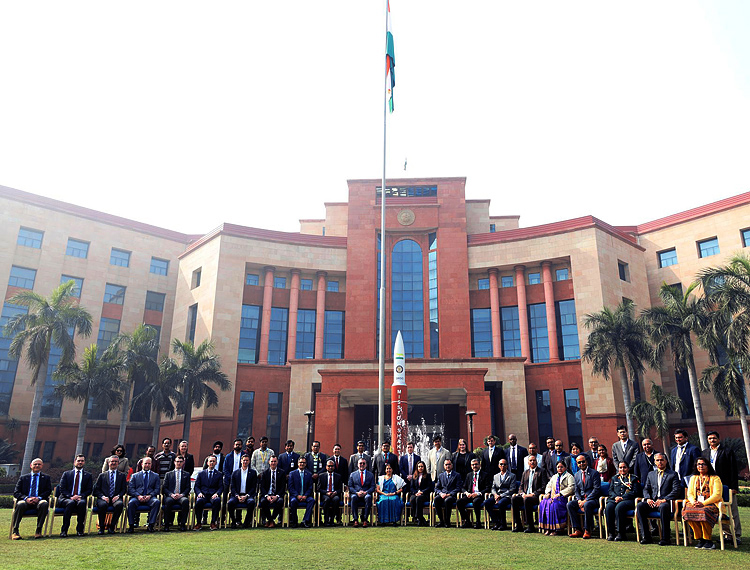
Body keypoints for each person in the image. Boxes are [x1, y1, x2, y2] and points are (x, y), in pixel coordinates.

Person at [703, 430, 741, 545]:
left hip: (726, 487)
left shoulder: (727, 452)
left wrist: (734, 487)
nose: (712, 440)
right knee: (720, 511)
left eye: (714, 438)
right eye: (710, 438)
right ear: (707, 440)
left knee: (733, 511)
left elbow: (733, 470)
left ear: (719, 439)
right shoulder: (705, 453)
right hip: (712, 487)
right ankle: (727, 534)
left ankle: (737, 535)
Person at [636, 453, 681, 546]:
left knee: (664, 507)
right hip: (653, 502)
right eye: (657, 460)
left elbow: (676, 490)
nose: (660, 462)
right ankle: (646, 537)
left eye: (661, 460)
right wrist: (648, 498)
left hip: (665, 502)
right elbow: (646, 489)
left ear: (666, 461)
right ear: (654, 462)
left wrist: (665, 499)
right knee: (640, 506)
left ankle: (665, 538)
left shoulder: (673, 474)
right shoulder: (651, 474)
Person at [683, 458, 723, 549]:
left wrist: (703, 503)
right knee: (687, 511)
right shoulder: (693, 478)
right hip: (696, 504)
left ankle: (708, 540)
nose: (701, 466)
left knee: (703, 511)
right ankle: (700, 539)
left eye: (703, 464)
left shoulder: (715, 478)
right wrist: (693, 502)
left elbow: (717, 495)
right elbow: (690, 494)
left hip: (711, 504)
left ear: (708, 466)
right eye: (699, 464)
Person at [12, 457, 51, 540]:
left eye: (39, 464)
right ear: (31, 465)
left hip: (39, 501)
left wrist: (39, 498)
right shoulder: (23, 478)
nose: (37, 466)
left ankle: (38, 530)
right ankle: (15, 531)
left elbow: (48, 491)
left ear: (42, 466)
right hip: (25, 501)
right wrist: (26, 498)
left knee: (44, 504)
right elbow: (16, 492)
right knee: (20, 504)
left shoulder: (46, 478)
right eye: (35, 464)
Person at [567, 454, 602, 539]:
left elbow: (596, 489)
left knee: (587, 505)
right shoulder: (577, 475)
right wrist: (579, 500)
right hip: (581, 499)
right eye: (579, 462)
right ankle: (578, 529)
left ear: (586, 462)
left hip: (593, 499)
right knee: (570, 504)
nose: (581, 464)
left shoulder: (594, 473)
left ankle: (587, 530)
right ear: (577, 464)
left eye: (583, 462)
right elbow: (576, 490)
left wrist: (586, 500)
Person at [58, 454, 93, 537]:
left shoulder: (88, 476)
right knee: (70, 503)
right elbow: (62, 488)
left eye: (82, 461)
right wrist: (71, 497)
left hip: (80, 498)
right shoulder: (66, 474)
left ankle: (80, 530)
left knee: (82, 503)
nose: (80, 462)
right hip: (66, 498)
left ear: (84, 462)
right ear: (74, 462)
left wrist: (81, 496)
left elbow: (89, 489)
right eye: (78, 461)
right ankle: (64, 530)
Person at [605, 461, 641, 542]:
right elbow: (610, 490)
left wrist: (622, 498)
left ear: (628, 468)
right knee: (609, 507)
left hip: (628, 500)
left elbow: (635, 492)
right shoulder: (614, 478)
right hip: (615, 499)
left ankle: (621, 533)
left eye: (624, 467)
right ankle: (611, 533)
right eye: (620, 467)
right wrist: (615, 497)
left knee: (619, 507)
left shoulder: (633, 478)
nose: (622, 469)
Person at [511, 454, 547, 533]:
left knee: (527, 500)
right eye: (530, 460)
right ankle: (519, 525)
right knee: (514, 499)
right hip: (525, 495)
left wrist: (533, 494)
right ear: (528, 462)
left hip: (535, 497)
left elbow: (543, 487)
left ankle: (530, 526)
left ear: (537, 462)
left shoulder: (542, 471)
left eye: (534, 460)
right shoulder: (525, 472)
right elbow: (521, 486)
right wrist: (522, 493)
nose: (532, 462)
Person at [538, 460, 575, 535]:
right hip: (553, 497)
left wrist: (560, 494)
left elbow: (572, 487)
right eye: (558, 467)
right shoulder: (554, 477)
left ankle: (557, 529)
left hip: (563, 498)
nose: (560, 469)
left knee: (554, 505)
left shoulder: (569, 476)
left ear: (565, 467)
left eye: (561, 467)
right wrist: (548, 493)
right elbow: (548, 486)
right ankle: (548, 528)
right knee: (543, 503)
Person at [93, 455, 127, 535]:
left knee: (119, 505)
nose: (113, 463)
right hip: (103, 498)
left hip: (116, 498)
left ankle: (112, 527)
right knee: (102, 505)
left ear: (118, 463)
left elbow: (124, 489)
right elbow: (96, 490)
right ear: (108, 463)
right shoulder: (102, 475)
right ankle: (101, 528)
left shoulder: (122, 476)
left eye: (115, 462)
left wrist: (118, 496)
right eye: (112, 461)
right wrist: (103, 497)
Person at [126, 456, 161, 533]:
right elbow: (130, 489)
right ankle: (131, 525)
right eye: (145, 463)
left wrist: (150, 495)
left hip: (150, 498)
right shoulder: (135, 476)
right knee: (131, 503)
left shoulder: (155, 476)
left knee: (156, 502)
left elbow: (157, 489)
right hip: (137, 497)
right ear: (142, 464)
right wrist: (138, 496)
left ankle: (151, 525)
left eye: (149, 463)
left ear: (151, 465)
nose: (147, 465)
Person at [483, 458, 517, 531]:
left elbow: (512, 489)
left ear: (507, 466)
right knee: (486, 502)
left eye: (504, 464)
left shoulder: (512, 476)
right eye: (501, 464)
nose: (503, 466)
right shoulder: (495, 476)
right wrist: (495, 495)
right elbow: (493, 488)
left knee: (501, 503)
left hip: (506, 496)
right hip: (497, 495)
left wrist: (501, 496)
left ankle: (503, 524)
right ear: (498, 466)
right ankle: (496, 522)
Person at [457, 457, 490, 529]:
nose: (474, 466)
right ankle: (467, 521)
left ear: (480, 465)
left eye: (476, 464)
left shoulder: (485, 475)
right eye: (473, 465)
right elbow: (463, 487)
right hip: (470, 495)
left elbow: (488, 488)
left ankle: (478, 522)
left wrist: (478, 493)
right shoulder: (469, 475)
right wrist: (466, 493)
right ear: (471, 466)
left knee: (476, 502)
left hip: (479, 496)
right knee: (459, 502)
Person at [161, 455, 191, 532]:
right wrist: (171, 494)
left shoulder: (186, 474)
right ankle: (167, 524)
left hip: (181, 496)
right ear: (174, 462)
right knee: (168, 501)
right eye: (177, 461)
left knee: (185, 501)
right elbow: (164, 488)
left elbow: (188, 488)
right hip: (171, 495)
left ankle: (182, 524)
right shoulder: (168, 474)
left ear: (183, 463)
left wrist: (182, 494)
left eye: (180, 462)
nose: (179, 463)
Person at [227, 454, 258, 528]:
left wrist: (246, 496)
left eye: (247, 460)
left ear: (249, 461)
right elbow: (232, 487)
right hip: (237, 495)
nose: (245, 462)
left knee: (251, 502)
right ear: (241, 461)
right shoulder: (235, 473)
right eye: (244, 460)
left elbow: (253, 487)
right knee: (230, 503)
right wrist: (237, 496)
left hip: (248, 495)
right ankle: (233, 521)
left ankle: (246, 522)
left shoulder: (253, 473)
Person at [194, 455, 224, 530]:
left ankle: (213, 522)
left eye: (213, 461)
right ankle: (198, 523)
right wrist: (199, 493)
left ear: (216, 463)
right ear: (207, 463)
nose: (212, 463)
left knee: (217, 501)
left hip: (213, 495)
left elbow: (221, 487)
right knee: (199, 501)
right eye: (210, 461)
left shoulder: (219, 474)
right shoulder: (201, 474)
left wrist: (217, 494)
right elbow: (196, 486)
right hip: (203, 495)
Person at [288, 456, 315, 528]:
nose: (302, 464)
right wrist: (297, 495)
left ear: (306, 464)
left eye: (303, 463)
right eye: (300, 462)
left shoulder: (309, 474)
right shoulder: (292, 474)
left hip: (306, 496)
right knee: (293, 501)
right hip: (295, 496)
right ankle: (294, 521)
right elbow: (290, 487)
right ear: (297, 463)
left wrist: (305, 495)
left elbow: (310, 487)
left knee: (312, 500)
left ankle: (305, 521)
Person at [259, 456, 286, 528]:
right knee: (263, 502)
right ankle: (271, 520)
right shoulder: (265, 473)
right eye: (272, 461)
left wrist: (276, 496)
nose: (273, 463)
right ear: (269, 462)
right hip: (267, 495)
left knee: (280, 502)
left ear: (277, 462)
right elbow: (262, 487)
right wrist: (267, 496)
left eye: (275, 461)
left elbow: (283, 487)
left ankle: (270, 520)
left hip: (277, 495)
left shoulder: (282, 473)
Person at [433, 458, 461, 527]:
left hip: (452, 496)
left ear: (452, 465)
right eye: (446, 465)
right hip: (443, 494)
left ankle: (447, 521)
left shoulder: (457, 475)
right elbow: (437, 488)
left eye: (449, 464)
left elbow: (458, 487)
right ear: (444, 466)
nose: (448, 466)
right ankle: (441, 521)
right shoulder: (441, 475)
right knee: (436, 499)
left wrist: (449, 494)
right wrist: (441, 493)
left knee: (447, 501)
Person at [349, 457, 376, 527]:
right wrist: (356, 492)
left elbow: (373, 487)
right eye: (360, 463)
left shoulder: (370, 475)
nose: (362, 465)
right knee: (353, 497)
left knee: (368, 497)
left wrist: (366, 492)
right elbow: (350, 487)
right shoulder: (352, 475)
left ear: (366, 465)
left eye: (364, 463)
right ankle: (355, 520)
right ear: (357, 465)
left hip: (366, 494)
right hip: (356, 494)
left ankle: (365, 520)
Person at [318, 459, 344, 526]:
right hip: (325, 494)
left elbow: (340, 489)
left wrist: (335, 492)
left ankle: (332, 520)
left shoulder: (338, 476)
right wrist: (326, 492)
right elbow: (319, 489)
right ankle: (326, 520)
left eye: (332, 466)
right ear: (326, 467)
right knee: (327, 499)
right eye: (329, 466)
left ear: (334, 467)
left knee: (336, 499)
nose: (330, 467)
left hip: (334, 494)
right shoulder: (321, 476)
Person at [408, 460, 433, 526]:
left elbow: (429, 487)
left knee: (418, 499)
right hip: (416, 493)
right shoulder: (414, 476)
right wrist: (416, 492)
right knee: (412, 499)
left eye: (422, 466)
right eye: (419, 466)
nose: (420, 468)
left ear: (424, 467)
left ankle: (418, 518)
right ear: (417, 467)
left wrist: (422, 492)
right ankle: (421, 518)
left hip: (424, 494)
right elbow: (411, 487)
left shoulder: (427, 476)